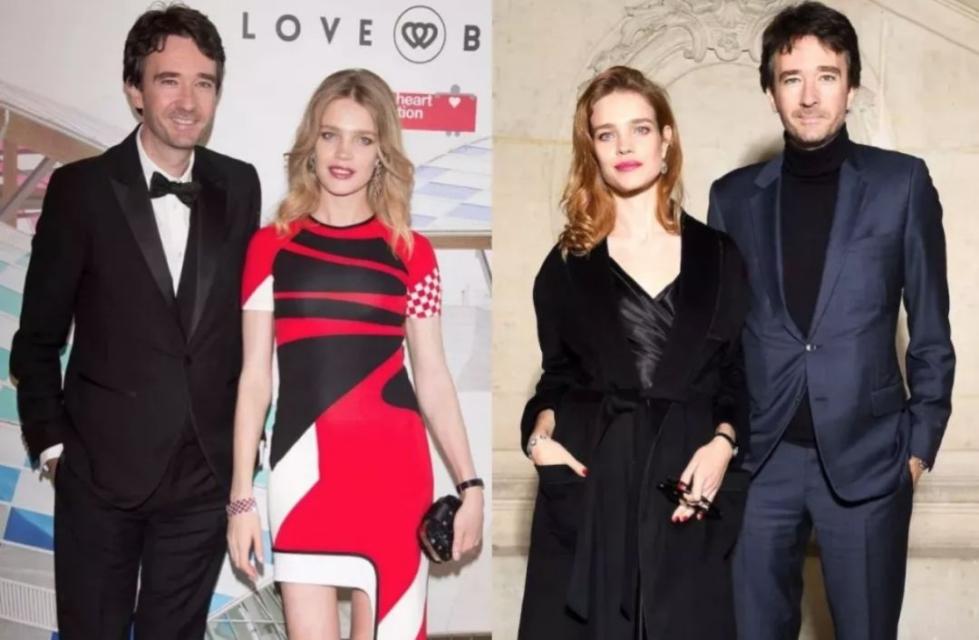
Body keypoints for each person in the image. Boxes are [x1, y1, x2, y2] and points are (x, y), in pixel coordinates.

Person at [9, 5, 261, 638]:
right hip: (99, 477)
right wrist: (55, 450)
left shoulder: (241, 186)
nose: (188, 101)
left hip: (202, 478)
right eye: (168, 80)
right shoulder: (80, 190)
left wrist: (242, 453)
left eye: (204, 83)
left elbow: (243, 332)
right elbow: (36, 339)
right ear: (134, 91)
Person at [706, 3, 955, 638]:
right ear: (770, 91)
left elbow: (931, 329)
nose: (810, 96)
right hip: (761, 463)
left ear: (851, 86)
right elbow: (719, 338)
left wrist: (917, 449)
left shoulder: (902, 184)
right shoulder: (732, 197)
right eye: (792, 78)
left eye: (827, 76)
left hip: (872, 460)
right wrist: (721, 438)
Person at [226, 68, 484, 640]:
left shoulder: (413, 252)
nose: (344, 153)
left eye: (363, 139)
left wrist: (471, 485)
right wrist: (241, 498)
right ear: (311, 144)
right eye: (330, 135)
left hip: (395, 480)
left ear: (381, 153)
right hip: (303, 477)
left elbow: (434, 378)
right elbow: (253, 380)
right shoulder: (269, 247)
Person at [517, 65, 750, 639]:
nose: (624, 146)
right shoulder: (567, 263)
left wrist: (723, 446)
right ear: (591, 150)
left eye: (640, 129)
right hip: (597, 483)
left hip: (687, 484)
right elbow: (555, 377)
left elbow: (736, 376)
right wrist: (539, 439)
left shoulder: (719, 255)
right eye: (606, 134)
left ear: (666, 141)